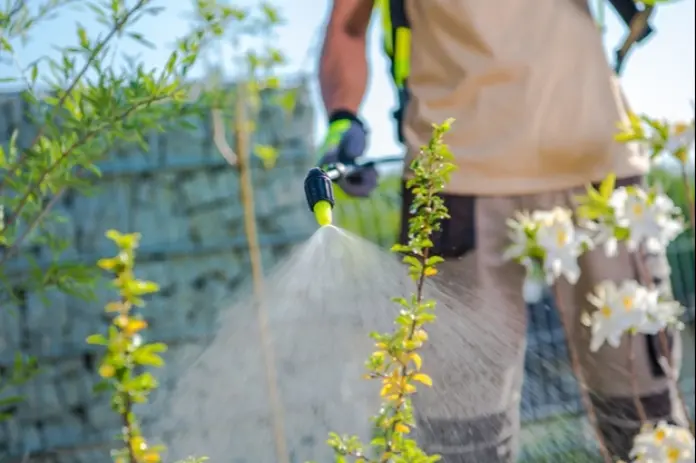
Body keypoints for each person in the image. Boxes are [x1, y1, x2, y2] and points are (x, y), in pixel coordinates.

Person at [316, 1, 686, 462]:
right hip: (453, 182)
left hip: (598, 170)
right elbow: (348, 26)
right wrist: (342, 118)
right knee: (459, 435)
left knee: (644, 417)